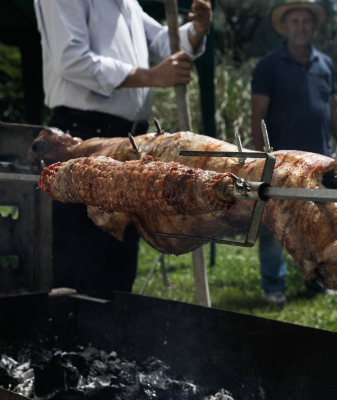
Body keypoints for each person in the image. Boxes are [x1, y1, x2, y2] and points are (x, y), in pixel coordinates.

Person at [34, 0, 212, 300]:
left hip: (128, 140)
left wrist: (196, 30)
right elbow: (71, 59)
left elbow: (163, 41)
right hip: (83, 135)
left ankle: (112, 344)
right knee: (78, 269)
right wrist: (154, 77)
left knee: (118, 263)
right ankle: (70, 342)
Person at [251, 0, 337, 304]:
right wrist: (262, 157)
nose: (300, 27)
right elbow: (258, 114)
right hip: (281, 162)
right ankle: (274, 286)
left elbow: (333, 107)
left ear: (313, 26)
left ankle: (318, 280)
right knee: (274, 224)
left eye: (305, 21)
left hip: (320, 159)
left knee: (320, 223)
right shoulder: (268, 66)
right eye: (294, 21)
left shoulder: (325, 64)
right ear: (284, 27)